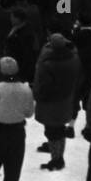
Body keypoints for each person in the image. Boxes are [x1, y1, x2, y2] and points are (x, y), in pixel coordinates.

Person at [33, 33, 82, 172]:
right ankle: (59, 156)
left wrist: (37, 95)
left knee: (51, 131)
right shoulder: (74, 58)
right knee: (60, 129)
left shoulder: (48, 63)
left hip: (50, 102)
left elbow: (42, 84)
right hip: (66, 99)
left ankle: (56, 159)